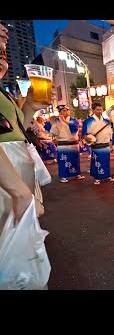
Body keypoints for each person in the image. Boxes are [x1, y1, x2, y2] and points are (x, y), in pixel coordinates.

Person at [0, 21, 51, 289]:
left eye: (3, 53)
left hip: (15, 170)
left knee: (19, 251)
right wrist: (20, 192)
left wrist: (30, 107)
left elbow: (16, 130)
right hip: (6, 177)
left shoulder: (3, 95)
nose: (2, 58)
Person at [49, 105, 86, 183]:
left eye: (67, 110)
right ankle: (63, 176)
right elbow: (53, 131)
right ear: (60, 112)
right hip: (62, 144)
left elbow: (75, 127)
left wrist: (65, 121)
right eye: (64, 110)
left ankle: (77, 174)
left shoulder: (73, 120)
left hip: (73, 144)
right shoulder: (57, 121)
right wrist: (53, 137)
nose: (67, 112)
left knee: (75, 159)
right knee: (63, 160)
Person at [81, 102, 114, 185]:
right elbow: (84, 134)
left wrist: (111, 142)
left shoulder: (106, 121)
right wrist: (88, 139)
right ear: (93, 110)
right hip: (96, 144)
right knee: (98, 161)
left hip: (105, 144)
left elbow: (110, 133)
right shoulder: (88, 121)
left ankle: (107, 176)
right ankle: (97, 178)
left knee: (106, 161)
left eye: (101, 109)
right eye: (97, 109)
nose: (99, 111)